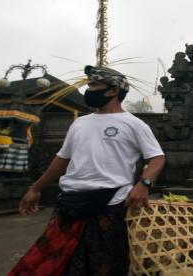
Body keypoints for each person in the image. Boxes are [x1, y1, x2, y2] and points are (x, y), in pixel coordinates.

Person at [9, 65, 165, 276]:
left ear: (113, 91)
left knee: (105, 267)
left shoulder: (134, 125)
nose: (89, 90)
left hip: (110, 204)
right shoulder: (79, 123)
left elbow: (157, 158)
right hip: (69, 203)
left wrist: (143, 184)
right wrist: (36, 188)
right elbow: (62, 159)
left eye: (94, 85)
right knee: (55, 266)